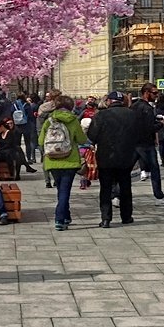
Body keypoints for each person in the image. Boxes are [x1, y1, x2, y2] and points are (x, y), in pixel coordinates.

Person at [86, 92, 150, 228]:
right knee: (125, 187)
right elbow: (140, 134)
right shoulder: (132, 115)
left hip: (106, 157)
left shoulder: (101, 115)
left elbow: (92, 136)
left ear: (109, 101)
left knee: (106, 189)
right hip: (126, 157)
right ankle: (126, 217)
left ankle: (105, 219)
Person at [38, 92, 87, 230]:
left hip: (52, 160)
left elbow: (40, 141)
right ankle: (60, 219)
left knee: (61, 190)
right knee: (65, 191)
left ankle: (66, 215)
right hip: (70, 160)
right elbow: (82, 140)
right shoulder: (73, 120)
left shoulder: (49, 120)